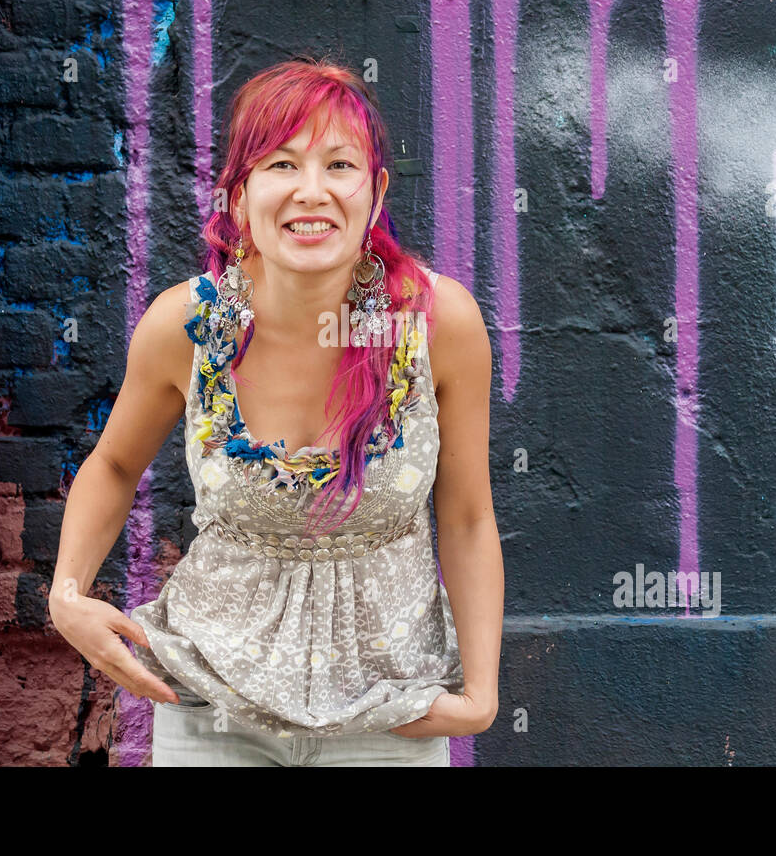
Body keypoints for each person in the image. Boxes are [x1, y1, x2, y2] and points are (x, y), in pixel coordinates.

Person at [49, 54, 503, 766]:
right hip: (215, 711)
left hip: (387, 717)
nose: (311, 192)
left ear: (377, 192)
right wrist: (67, 596)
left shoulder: (438, 325)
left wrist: (481, 693)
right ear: (239, 196)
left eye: (340, 166)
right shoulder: (185, 328)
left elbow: (470, 515)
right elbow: (111, 466)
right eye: (282, 165)